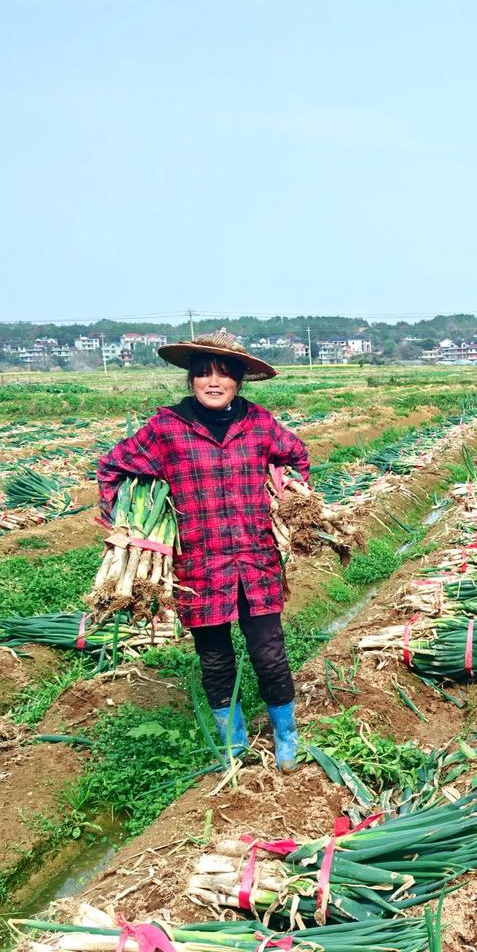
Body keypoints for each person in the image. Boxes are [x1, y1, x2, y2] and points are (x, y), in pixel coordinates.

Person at [97, 330, 308, 771]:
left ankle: (286, 735)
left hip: (256, 557)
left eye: (224, 374)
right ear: (191, 379)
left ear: (238, 381)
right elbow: (113, 466)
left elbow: (295, 456)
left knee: (269, 653)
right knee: (214, 659)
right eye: (204, 373)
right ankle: (234, 745)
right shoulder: (166, 428)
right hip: (199, 562)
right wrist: (130, 528)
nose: (214, 382)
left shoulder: (258, 423)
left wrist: (289, 491)